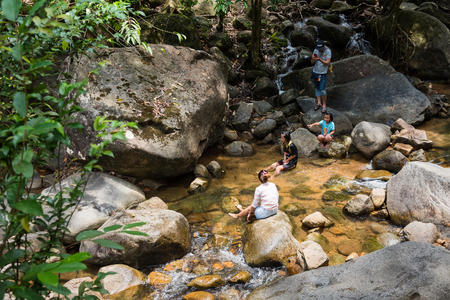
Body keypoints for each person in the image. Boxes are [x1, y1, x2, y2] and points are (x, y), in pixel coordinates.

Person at [311, 40, 332, 113]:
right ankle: (319, 103)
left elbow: (327, 63)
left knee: (322, 89)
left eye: (320, 48)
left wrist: (319, 59)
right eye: (318, 48)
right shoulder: (316, 50)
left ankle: (324, 104)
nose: (319, 50)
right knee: (317, 88)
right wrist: (313, 59)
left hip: (322, 73)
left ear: (324, 46)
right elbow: (312, 62)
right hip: (315, 72)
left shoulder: (327, 51)